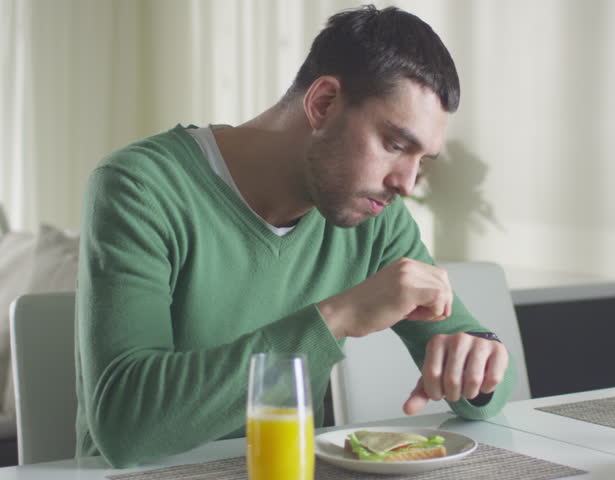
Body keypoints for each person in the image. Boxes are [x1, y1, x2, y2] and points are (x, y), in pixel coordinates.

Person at [75, 4, 515, 468]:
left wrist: (479, 357)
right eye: (394, 145)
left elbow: (490, 390)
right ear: (323, 103)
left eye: (421, 159)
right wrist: (339, 316)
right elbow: (125, 427)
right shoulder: (142, 186)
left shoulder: (376, 218)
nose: (406, 183)